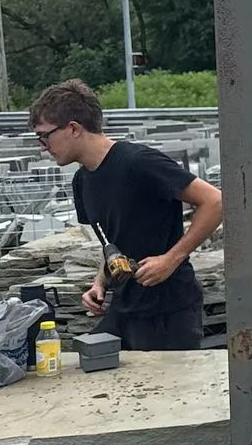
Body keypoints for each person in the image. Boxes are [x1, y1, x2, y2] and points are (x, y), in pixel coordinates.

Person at [27, 79, 224, 351]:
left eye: (44, 136)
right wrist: (100, 282)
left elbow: (215, 201)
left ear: (73, 128)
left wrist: (171, 259)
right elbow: (113, 243)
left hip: (167, 312)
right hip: (124, 307)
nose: (42, 146)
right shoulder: (82, 181)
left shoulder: (138, 163)